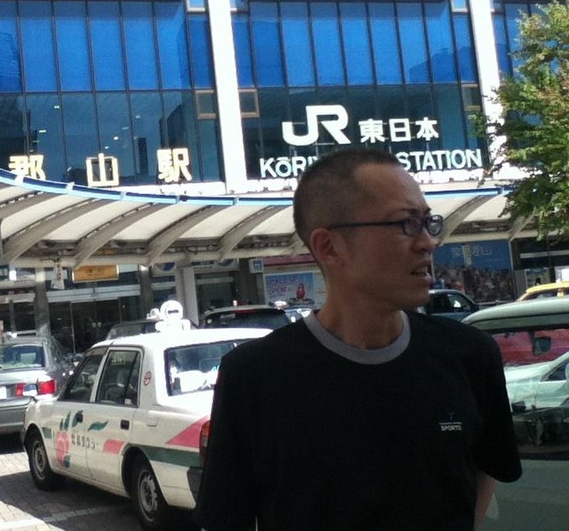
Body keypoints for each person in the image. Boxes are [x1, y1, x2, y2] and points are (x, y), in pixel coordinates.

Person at [194, 149, 521, 530]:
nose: (428, 243)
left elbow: (486, 467)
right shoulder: (254, 375)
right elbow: (226, 517)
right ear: (329, 247)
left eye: (427, 222)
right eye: (406, 224)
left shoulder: (470, 354)